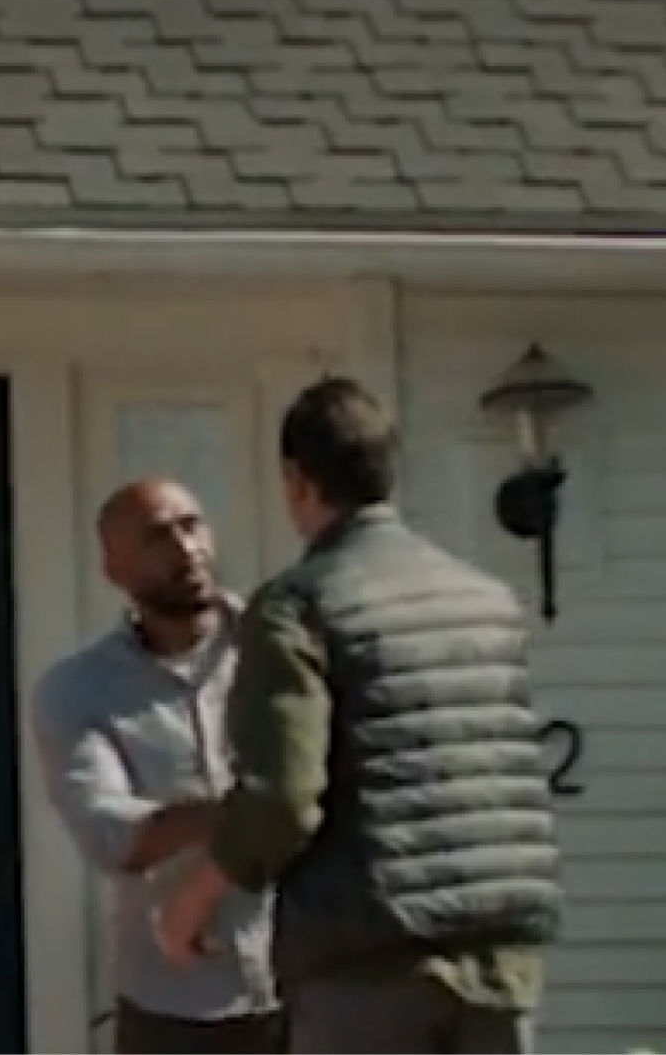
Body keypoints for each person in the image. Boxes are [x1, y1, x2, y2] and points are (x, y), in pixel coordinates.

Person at [157, 377, 561, 1054]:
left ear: (297, 481)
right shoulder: (486, 601)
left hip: (370, 959)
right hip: (501, 954)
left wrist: (194, 899)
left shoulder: (300, 606)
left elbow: (282, 799)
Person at [31, 478, 279, 1054]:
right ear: (113, 568)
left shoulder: (278, 652)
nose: (185, 549)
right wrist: (248, 810)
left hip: (302, 981)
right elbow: (111, 835)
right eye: (156, 537)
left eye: (192, 526)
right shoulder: (78, 690)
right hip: (173, 1003)